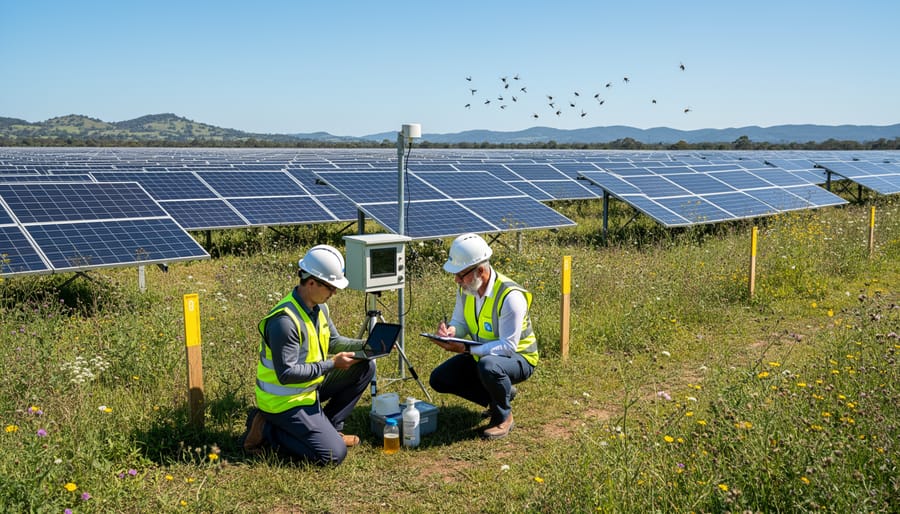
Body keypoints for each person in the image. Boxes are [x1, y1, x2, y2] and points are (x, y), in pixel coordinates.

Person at [240, 244, 375, 465]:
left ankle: (330, 428)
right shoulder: (284, 321)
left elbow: (333, 341)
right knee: (332, 455)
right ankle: (266, 429)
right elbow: (286, 374)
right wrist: (331, 365)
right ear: (311, 282)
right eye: (331, 288)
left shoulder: (319, 307)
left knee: (365, 366)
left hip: (309, 387)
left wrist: (368, 346)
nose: (334, 293)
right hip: (283, 401)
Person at [428, 233, 538, 440]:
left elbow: (508, 347)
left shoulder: (510, 297)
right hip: (483, 356)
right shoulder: (467, 289)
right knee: (439, 379)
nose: (457, 280)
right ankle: (499, 394)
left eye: (461, 275)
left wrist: (466, 349)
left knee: (489, 367)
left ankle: (503, 417)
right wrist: (451, 332)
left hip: (519, 358)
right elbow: (459, 323)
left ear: (480, 271)